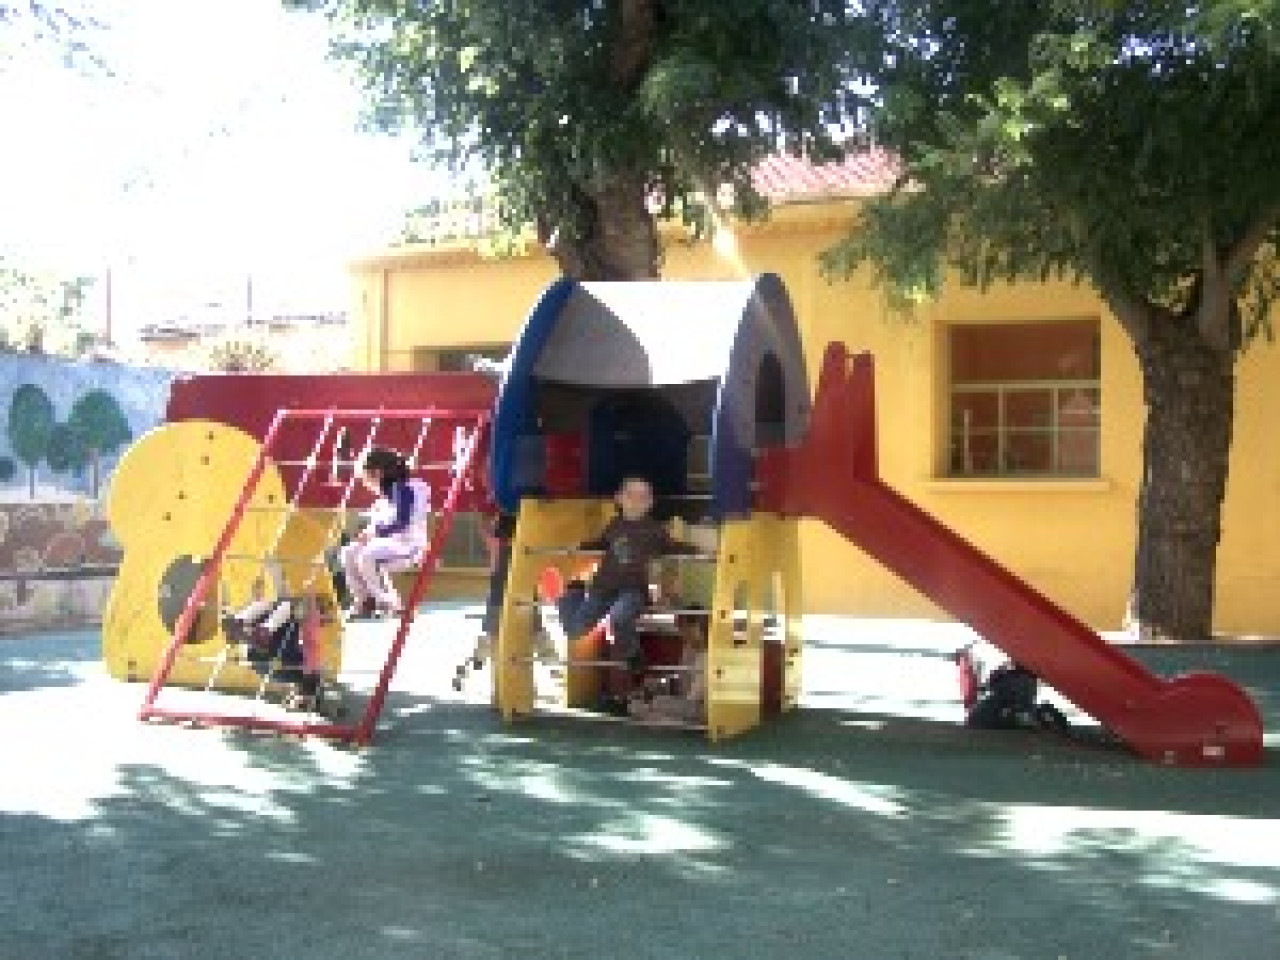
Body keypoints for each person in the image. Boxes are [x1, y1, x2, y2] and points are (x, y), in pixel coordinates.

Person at [556, 476, 699, 670]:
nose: (636, 501)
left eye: (643, 497)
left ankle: (632, 655)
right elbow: (601, 543)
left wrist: (697, 550)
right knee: (574, 630)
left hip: (632, 589)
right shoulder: (615, 525)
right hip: (603, 587)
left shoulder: (654, 530)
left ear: (650, 503)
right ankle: (572, 593)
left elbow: (673, 546)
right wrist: (580, 546)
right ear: (619, 499)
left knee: (619, 617)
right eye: (631, 495)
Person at [339, 447, 432, 619]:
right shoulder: (388, 494)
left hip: (409, 545)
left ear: (378, 473)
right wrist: (368, 533)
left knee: (367, 556)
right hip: (392, 544)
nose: (365, 483)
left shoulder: (403, 489)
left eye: (366, 477)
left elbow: (402, 522)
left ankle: (389, 603)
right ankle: (364, 600)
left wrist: (374, 533)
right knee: (349, 552)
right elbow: (381, 521)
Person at [628, 609, 708, 723]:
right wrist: (658, 684)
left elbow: (691, 701)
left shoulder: (706, 659)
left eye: (683, 628)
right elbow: (682, 681)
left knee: (652, 704)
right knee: (640, 704)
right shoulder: (689, 649)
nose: (681, 634)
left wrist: (655, 700)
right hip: (683, 703)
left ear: (695, 628)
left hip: (696, 710)